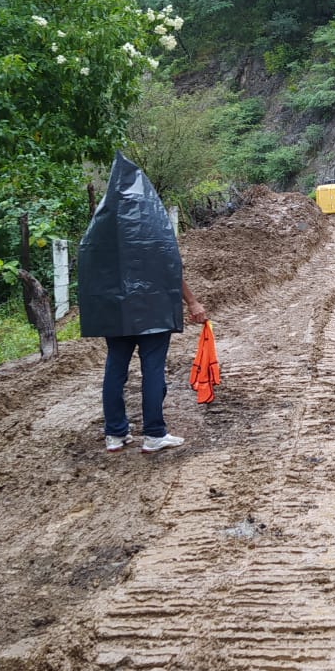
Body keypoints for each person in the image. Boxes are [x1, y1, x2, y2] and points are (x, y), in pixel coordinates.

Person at [78, 154, 209, 453]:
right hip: (154, 310)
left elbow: (89, 273)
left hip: (116, 313)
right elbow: (171, 269)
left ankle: (114, 434)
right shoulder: (154, 224)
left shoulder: (100, 226)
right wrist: (192, 303)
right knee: (152, 370)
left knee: (115, 368)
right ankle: (154, 434)